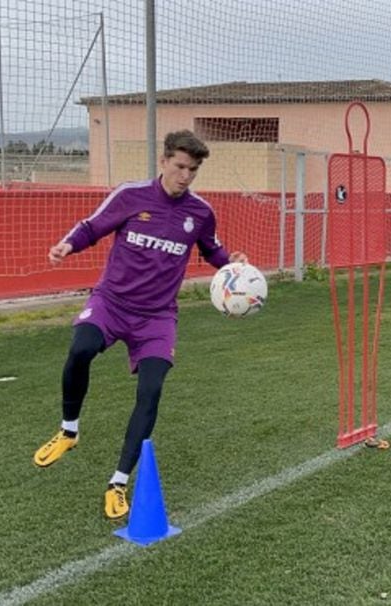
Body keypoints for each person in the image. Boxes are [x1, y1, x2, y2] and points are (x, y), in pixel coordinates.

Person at [33, 129, 244, 520]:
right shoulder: (131, 195)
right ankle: (68, 431)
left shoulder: (200, 212)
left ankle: (118, 482)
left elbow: (211, 249)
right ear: (163, 162)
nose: (185, 176)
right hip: (111, 302)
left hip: (158, 318)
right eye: (180, 167)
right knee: (80, 350)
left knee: (151, 392)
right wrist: (68, 245)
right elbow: (92, 226)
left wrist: (233, 265)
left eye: (193, 170)